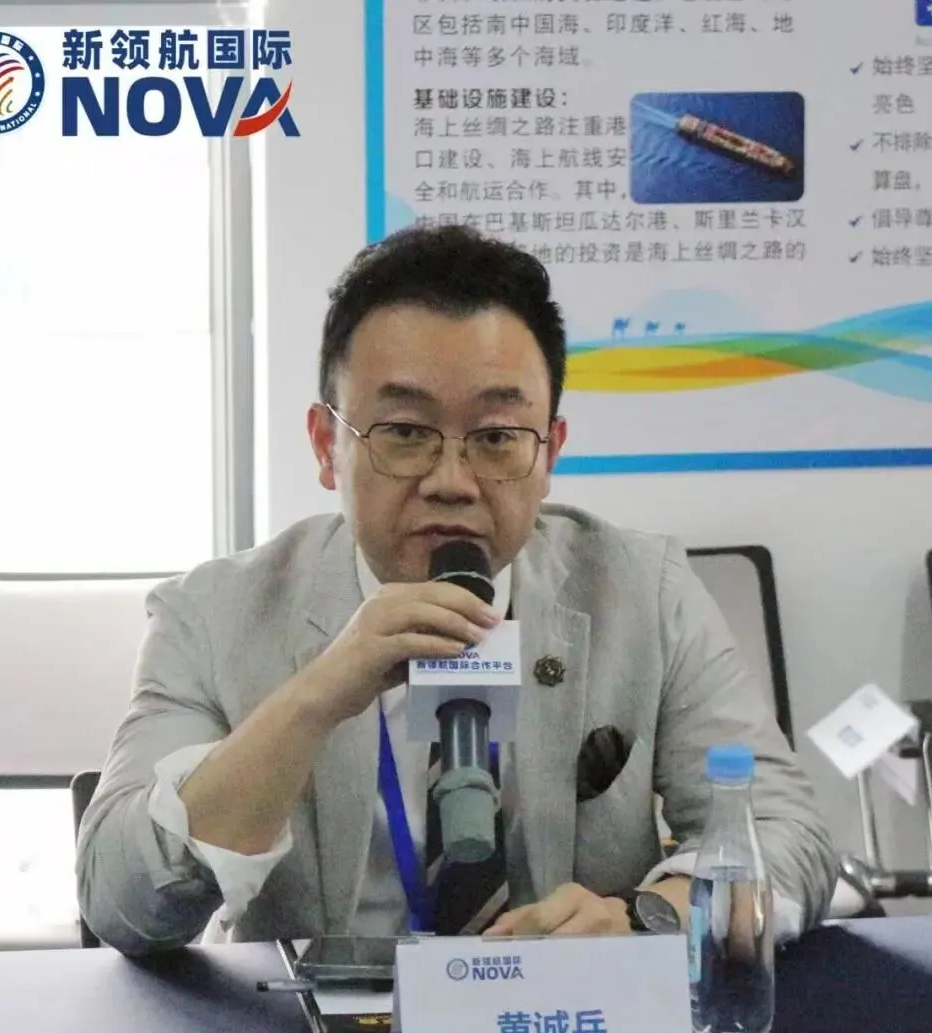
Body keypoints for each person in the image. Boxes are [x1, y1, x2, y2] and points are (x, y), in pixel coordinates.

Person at [76, 224, 836, 955]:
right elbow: (121, 905)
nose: (451, 481)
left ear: (550, 453)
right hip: (307, 1029)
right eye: (405, 433)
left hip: (560, 1021)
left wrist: (646, 920)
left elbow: (787, 837)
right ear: (326, 445)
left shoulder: (644, 592)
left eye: (496, 437)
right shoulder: (210, 615)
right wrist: (313, 700)